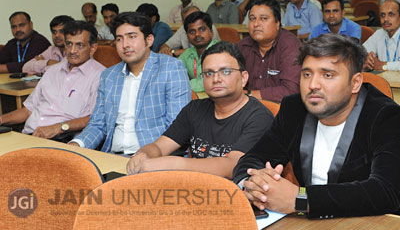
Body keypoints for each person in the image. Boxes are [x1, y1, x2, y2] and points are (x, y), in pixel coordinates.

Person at [233, 33, 400, 220]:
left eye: (327, 75)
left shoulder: (386, 116)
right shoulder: (294, 108)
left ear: (355, 83)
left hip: (387, 223)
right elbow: (253, 158)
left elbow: (386, 192)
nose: (313, 85)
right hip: (317, 222)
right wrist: (254, 184)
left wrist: (301, 199)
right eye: (307, 74)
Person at [126, 42, 274, 178]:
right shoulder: (195, 108)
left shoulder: (259, 117)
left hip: (234, 197)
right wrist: (143, 155)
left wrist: (172, 164)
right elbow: (159, 146)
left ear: (243, 78)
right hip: (192, 188)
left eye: (225, 71)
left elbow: (232, 165)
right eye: (209, 73)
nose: (216, 79)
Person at [69, 12, 190, 154]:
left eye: (132, 37)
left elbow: (177, 126)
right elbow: (98, 125)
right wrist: (77, 145)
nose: (125, 45)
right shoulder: (109, 76)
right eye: (119, 39)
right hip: (113, 157)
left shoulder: (171, 68)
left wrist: (150, 153)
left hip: (156, 157)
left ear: (149, 40)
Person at [0, 21, 105, 139]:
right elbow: (28, 109)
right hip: (29, 135)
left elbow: (95, 119)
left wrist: (58, 127)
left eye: (79, 45)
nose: (72, 50)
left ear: (92, 48)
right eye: (69, 44)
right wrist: (2, 119)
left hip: (61, 138)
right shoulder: (52, 71)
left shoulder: (101, 76)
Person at [239, 0, 301, 103]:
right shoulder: (243, 46)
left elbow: (291, 90)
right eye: (252, 18)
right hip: (248, 108)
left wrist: (250, 94)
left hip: (281, 111)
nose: (256, 24)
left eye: (263, 18)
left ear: (277, 23)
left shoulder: (290, 46)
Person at [178, 11, 218, 93]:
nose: (197, 34)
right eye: (192, 32)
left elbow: (209, 82)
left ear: (211, 32)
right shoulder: (188, 54)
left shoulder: (220, 52)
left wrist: (180, 84)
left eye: (202, 29)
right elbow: (174, 74)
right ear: (187, 36)